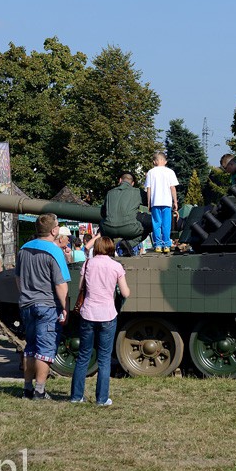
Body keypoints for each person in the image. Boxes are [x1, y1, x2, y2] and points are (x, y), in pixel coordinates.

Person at [70, 236, 130, 405]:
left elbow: (81, 286)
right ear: (111, 248)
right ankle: (102, 399)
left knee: (83, 356)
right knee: (104, 359)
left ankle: (76, 396)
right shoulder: (116, 266)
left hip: (88, 313)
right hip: (108, 315)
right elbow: (125, 293)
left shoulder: (88, 264)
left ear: (96, 248)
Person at [16, 213, 70, 400]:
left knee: (30, 348)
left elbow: (18, 278)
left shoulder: (23, 249)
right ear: (54, 230)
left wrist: (24, 294)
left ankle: (27, 388)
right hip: (47, 305)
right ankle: (40, 391)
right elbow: (60, 284)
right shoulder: (54, 251)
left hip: (26, 304)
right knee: (45, 350)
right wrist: (65, 307)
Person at [101, 172, 152, 256]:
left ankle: (108, 250)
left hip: (109, 230)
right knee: (152, 223)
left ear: (120, 180)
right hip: (130, 228)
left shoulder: (110, 193)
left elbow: (103, 212)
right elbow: (151, 203)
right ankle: (129, 243)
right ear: (132, 183)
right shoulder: (137, 192)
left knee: (102, 223)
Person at [144, 152, 179, 254]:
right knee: (166, 224)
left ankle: (158, 245)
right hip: (167, 202)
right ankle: (167, 244)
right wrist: (175, 201)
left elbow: (149, 189)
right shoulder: (170, 172)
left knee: (156, 224)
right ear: (165, 161)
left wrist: (149, 203)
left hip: (155, 202)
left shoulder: (150, 172)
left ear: (154, 162)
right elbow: (173, 188)